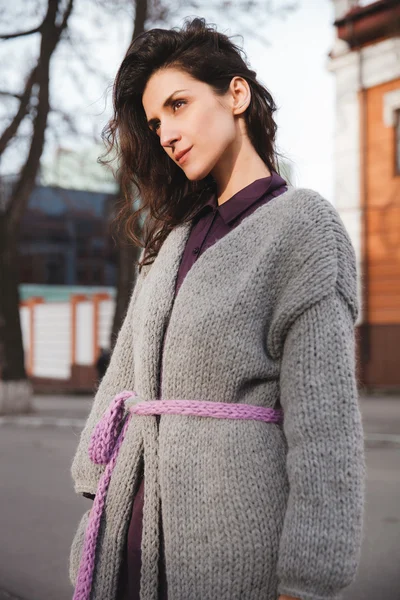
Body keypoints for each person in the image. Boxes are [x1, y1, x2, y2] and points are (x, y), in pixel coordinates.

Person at [69, 17, 366, 600]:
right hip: (124, 543)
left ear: (236, 94)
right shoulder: (170, 239)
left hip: (229, 554)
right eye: (155, 123)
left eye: (178, 105)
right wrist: (94, 478)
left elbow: (325, 430)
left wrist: (307, 581)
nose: (166, 135)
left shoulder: (303, 227)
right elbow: (126, 373)